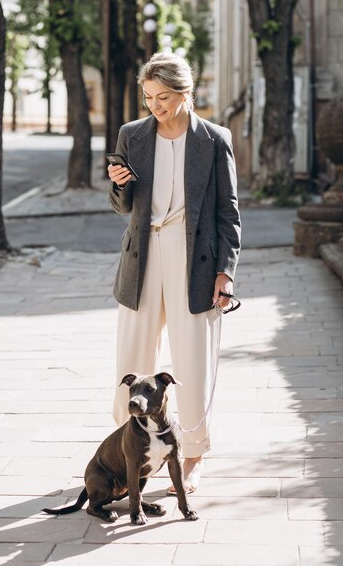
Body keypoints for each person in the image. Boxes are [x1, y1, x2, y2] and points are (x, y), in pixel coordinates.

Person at [107, 52, 241, 494]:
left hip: (194, 260)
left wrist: (225, 272)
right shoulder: (132, 135)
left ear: (186, 94)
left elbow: (228, 213)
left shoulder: (214, 139)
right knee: (133, 354)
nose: (155, 106)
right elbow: (122, 207)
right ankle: (130, 450)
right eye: (148, 97)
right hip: (142, 254)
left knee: (191, 361)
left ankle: (194, 453)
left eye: (163, 97)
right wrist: (120, 183)